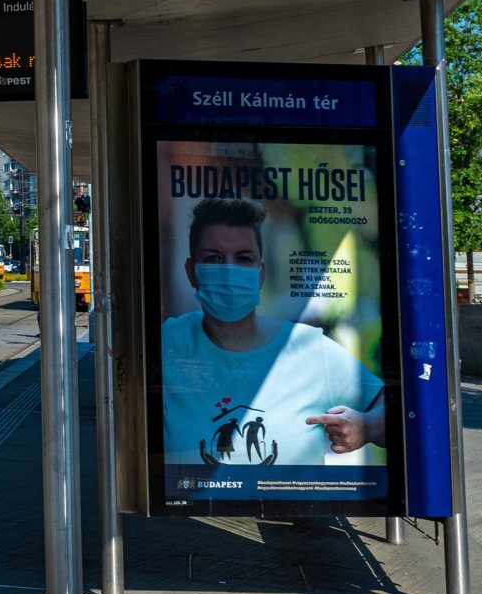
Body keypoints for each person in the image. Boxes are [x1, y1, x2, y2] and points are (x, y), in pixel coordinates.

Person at [159, 198, 385, 467]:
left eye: (243, 258)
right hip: (191, 509)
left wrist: (368, 426)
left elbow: (397, 410)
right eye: (213, 258)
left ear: (260, 273)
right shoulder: (166, 343)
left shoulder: (307, 348)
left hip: (295, 509)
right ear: (191, 271)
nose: (230, 270)